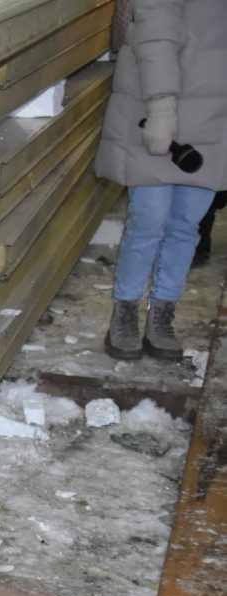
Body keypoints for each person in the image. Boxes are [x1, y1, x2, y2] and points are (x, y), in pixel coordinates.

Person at [95, 0, 227, 360]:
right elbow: (155, 33)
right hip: (158, 109)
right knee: (149, 221)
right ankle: (124, 313)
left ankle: (163, 314)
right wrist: (162, 106)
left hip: (214, 117)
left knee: (186, 225)